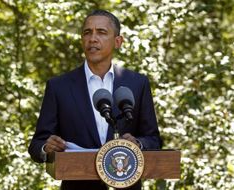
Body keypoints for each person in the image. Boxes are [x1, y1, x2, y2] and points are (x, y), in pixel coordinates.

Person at [28, 9, 162, 190]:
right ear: (82, 40)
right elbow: (37, 145)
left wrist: (138, 144)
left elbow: (153, 139)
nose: (93, 38)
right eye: (87, 33)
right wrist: (46, 147)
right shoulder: (59, 86)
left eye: (101, 32)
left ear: (118, 42)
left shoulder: (137, 83)